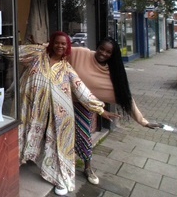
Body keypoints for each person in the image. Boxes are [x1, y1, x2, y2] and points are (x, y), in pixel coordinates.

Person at [19, 31, 119, 196]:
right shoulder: (37, 57)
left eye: (64, 44)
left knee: (58, 143)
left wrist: (101, 110)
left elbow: (82, 90)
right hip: (31, 108)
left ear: (68, 47)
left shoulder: (67, 68)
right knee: (23, 133)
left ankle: (59, 177)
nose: (60, 46)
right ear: (51, 43)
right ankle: (15, 163)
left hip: (58, 114)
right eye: (57, 42)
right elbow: (16, 52)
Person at [69, 37, 160, 185]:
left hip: (84, 105)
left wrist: (143, 121)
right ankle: (60, 167)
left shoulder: (111, 74)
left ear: (113, 55)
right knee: (59, 134)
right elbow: (58, 47)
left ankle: (88, 167)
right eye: (102, 49)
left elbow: (127, 99)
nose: (103, 53)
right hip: (63, 99)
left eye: (108, 52)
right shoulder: (81, 53)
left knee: (84, 135)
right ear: (97, 47)